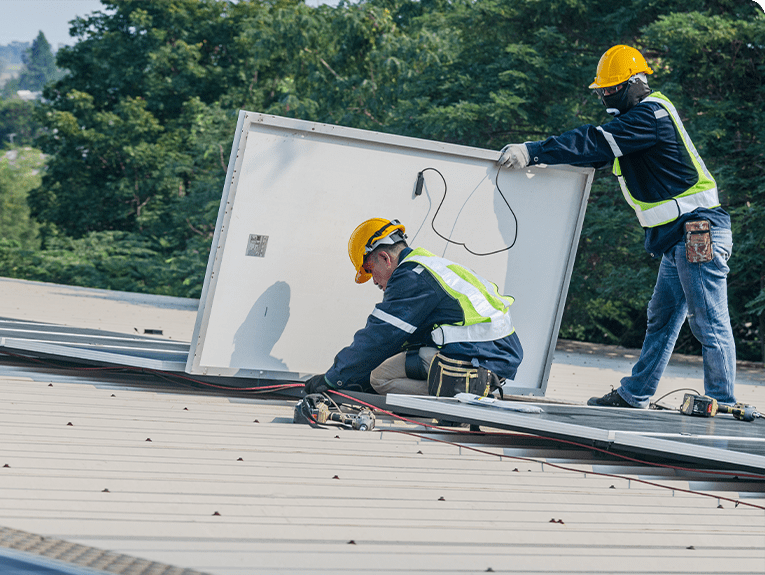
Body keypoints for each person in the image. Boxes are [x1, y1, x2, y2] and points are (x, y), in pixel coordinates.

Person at [498, 44, 736, 409]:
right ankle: (635, 393)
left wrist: (534, 150)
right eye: (602, 90)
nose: (606, 96)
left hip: (697, 231)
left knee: (707, 317)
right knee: (662, 317)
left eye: (612, 89)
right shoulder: (633, 124)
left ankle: (723, 402)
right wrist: (546, 158)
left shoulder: (650, 116)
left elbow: (593, 140)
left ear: (635, 83)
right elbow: (595, 150)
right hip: (678, 236)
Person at [303, 218, 523, 397]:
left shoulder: (412, 277)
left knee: (379, 379)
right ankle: (469, 388)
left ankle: (457, 394)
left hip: (480, 359)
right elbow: (403, 340)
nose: (374, 281)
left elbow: (380, 336)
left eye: (370, 269)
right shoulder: (430, 265)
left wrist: (334, 378)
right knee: (389, 362)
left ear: (384, 258)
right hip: (494, 355)